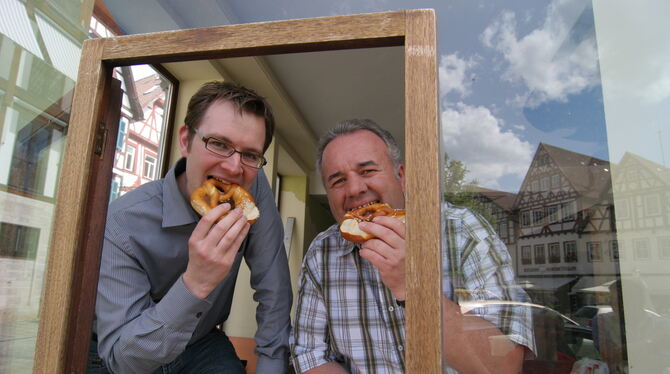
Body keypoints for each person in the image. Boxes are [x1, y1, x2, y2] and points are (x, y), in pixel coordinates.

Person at [291, 119, 535, 373]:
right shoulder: (323, 252)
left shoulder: (463, 231)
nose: (355, 189)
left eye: (367, 171)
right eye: (338, 180)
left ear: (402, 177)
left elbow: (504, 366)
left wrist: (414, 287)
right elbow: (310, 353)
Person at [90, 82, 292, 373]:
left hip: (201, 341)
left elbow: (273, 286)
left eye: (249, 154)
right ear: (185, 141)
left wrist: (272, 366)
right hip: (125, 351)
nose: (234, 167)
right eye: (219, 144)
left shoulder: (252, 186)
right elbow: (124, 359)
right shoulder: (123, 222)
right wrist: (196, 283)